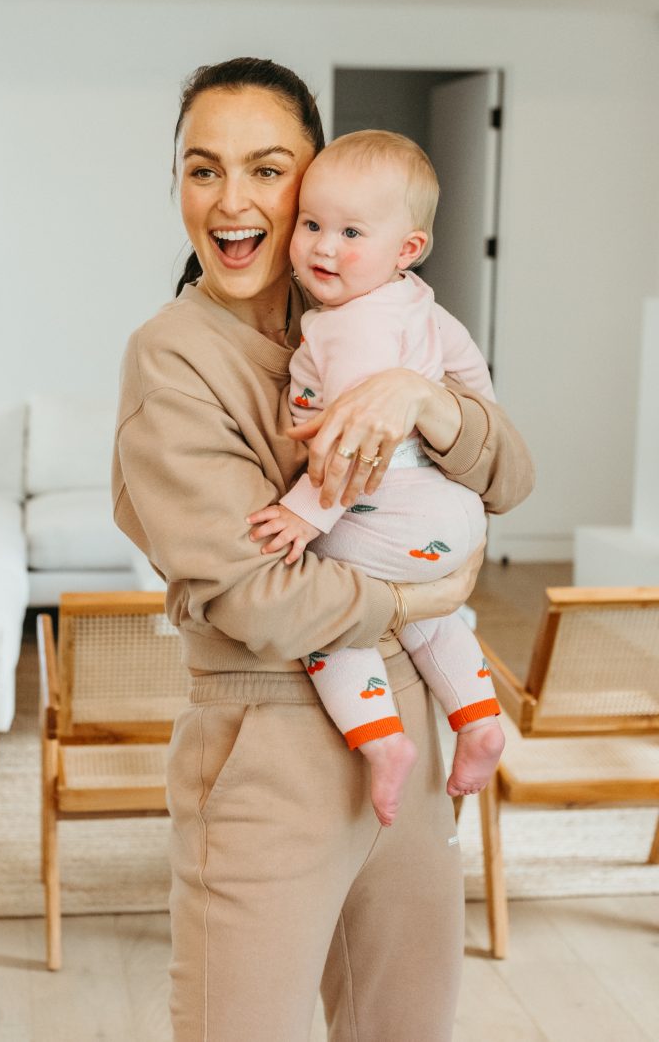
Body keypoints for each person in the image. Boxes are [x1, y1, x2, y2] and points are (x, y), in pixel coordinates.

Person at [112, 56, 534, 1042]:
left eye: (267, 169)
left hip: (414, 740)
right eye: (202, 168)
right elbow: (256, 594)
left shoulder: (383, 313)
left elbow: (510, 476)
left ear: (316, 179)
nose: (231, 200)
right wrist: (418, 602)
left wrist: (425, 402)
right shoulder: (173, 358)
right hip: (270, 750)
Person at [246, 130, 507, 828]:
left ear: (406, 248)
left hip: (387, 508)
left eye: (350, 231)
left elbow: (353, 448)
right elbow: (476, 383)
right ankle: (478, 721)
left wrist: (307, 514)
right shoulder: (418, 301)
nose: (322, 247)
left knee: (324, 613)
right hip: (449, 512)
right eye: (311, 224)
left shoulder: (347, 329)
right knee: (434, 612)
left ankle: (383, 740)